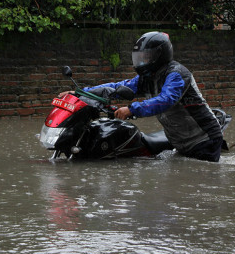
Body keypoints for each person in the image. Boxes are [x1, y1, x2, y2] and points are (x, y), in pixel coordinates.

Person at [59, 31, 223, 162]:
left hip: (203, 140)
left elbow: (166, 100)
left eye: (146, 57)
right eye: (140, 57)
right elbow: (116, 87)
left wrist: (131, 109)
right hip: (180, 141)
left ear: (160, 55)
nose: (142, 61)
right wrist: (82, 93)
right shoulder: (148, 77)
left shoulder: (177, 74)